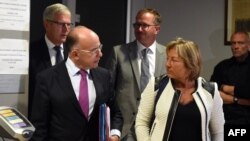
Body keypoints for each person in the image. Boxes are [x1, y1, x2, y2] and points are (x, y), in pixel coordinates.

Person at [30, 26, 123, 141]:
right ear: (75, 54)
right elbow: (39, 127)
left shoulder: (104, 76)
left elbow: (116, 113)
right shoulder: (47, 79)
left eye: (100, 48)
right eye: (94, 51)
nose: (100, 54)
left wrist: (115, 134)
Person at [135, 38, 225, 141]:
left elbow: (218, 132)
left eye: (174, 60)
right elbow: (141, 122)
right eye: (167, 58)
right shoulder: (156, 85)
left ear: (190, 63)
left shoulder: (210, 90)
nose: (167, 64)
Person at [105, 8, 166, 140]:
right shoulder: (119, 52)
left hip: (156, 126)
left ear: (157, 29)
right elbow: (108, 91)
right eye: (137, 25)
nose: (139, 29)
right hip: (126, 128)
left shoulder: (167, 55)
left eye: (145, 25)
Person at [29, 3, 72, 117]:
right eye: (61, 24)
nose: (66, 29)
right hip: (40, 120)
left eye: (68, 24)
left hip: (66, 123)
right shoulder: (31, 52)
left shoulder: (73, 53)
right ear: (47, 24)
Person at [210, 31, 250, 127]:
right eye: (233, 43)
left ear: (248, 44)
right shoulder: (222, 66)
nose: (236, 46)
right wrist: (238, 100)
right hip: (225, 119)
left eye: (240, 43)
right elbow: (213, 92)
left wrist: (226, 88)